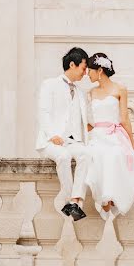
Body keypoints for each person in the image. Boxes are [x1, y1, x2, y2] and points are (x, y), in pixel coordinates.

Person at [83, 52, 134, 220]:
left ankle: (112, 198)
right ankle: (105, 199)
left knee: (116, 155)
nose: (87, 74)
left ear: (100, 70)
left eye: (90, 70)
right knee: (96, 155)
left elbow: (124, 118)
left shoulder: (120, 89)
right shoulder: (90, 93)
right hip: (96, 135)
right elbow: (89, 122)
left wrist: (133, 145)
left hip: (115, 134)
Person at [36, 47, 94, 221]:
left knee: (85, 154)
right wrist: (52, 134)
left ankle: (76, 199)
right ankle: (68, 199)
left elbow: (86, 120)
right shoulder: (49, 84)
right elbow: (43, 112)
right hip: (50, 141)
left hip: (72, 140)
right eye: (83, 68)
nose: (85, 74)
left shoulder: (80, 92)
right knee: (63, 157)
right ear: (72, 64)